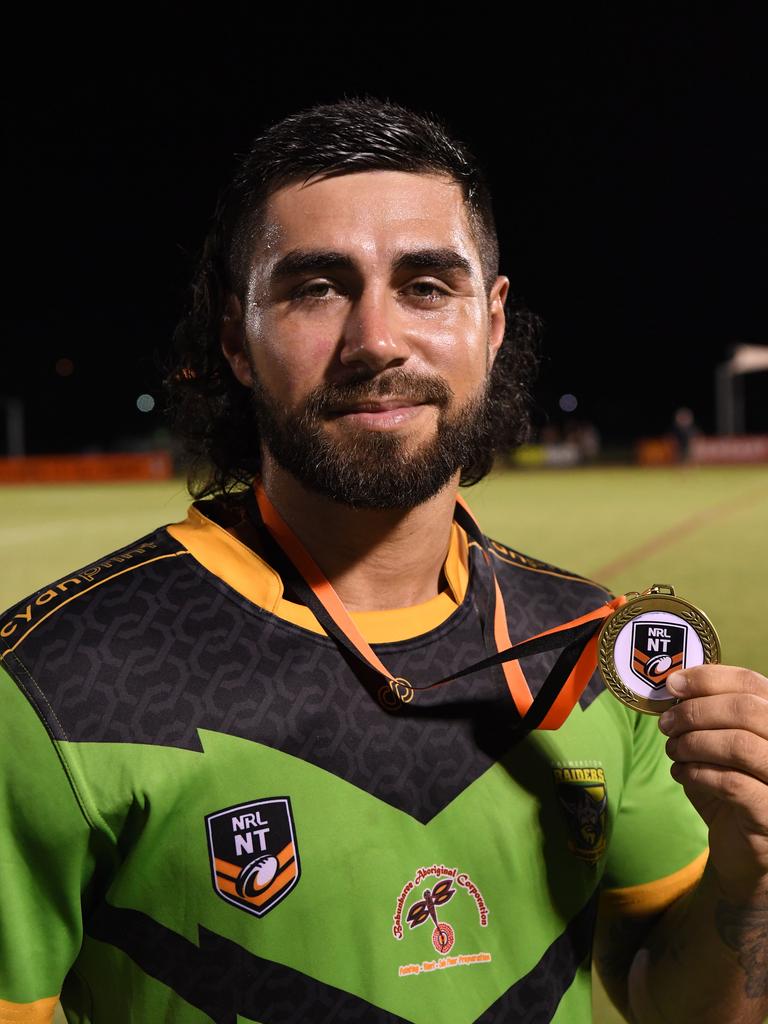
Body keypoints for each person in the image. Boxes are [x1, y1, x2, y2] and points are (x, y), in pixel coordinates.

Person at [1, 99, 766, 1024]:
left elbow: (674, 1002)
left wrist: (747, 881)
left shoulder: (591, 655)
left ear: (491, 320)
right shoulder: (48, 689)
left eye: (427, 285)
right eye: (316, 287)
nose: (377, 340)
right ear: (236, 339)